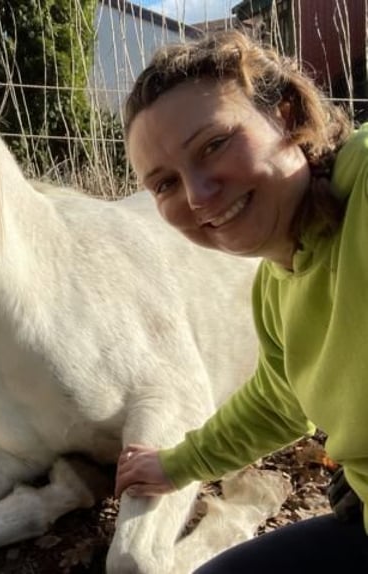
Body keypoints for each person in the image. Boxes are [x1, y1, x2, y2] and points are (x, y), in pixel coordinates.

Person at [115, 30, 368, 572]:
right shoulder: (276, 286)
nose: (198, 194)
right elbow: (278, 402)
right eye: (164, 184)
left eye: (213, 145)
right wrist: (175, 466)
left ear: (286, 114)